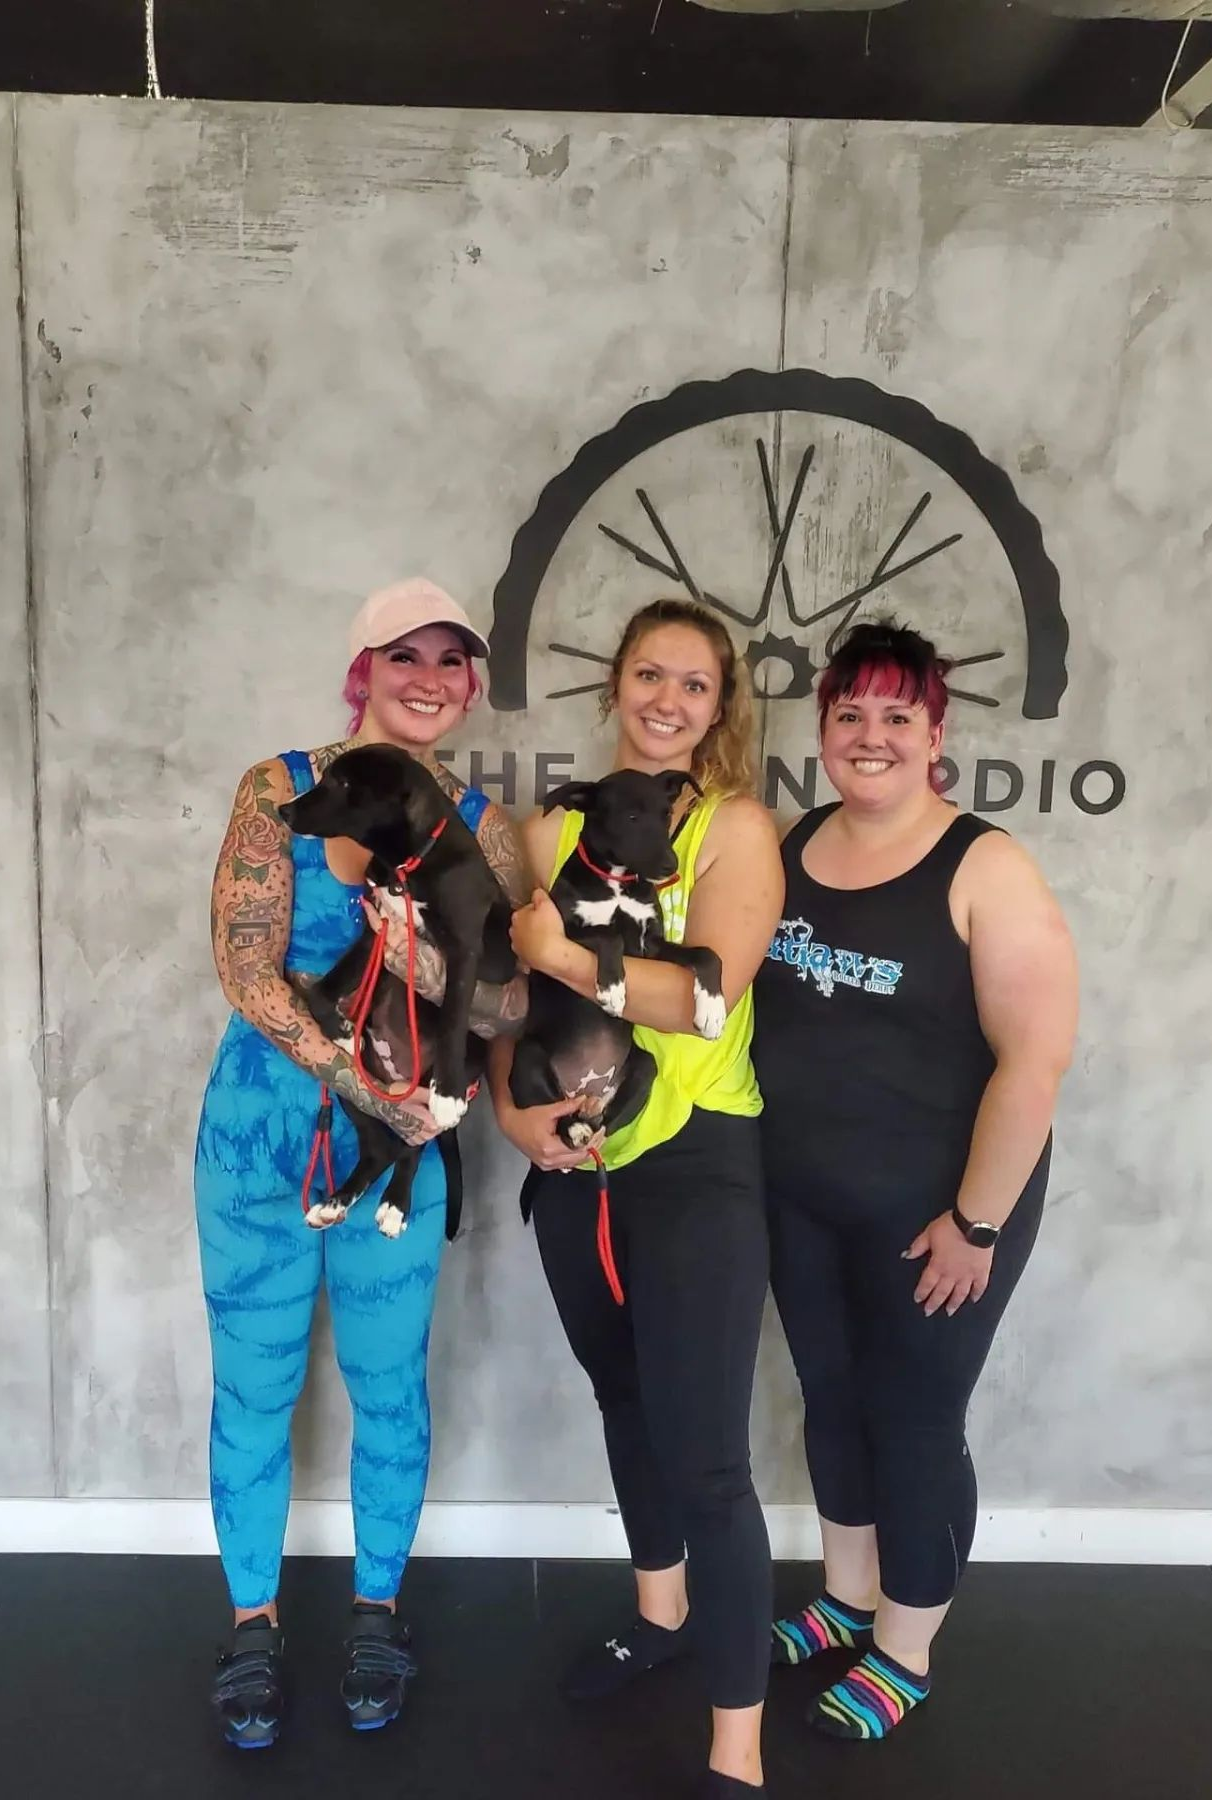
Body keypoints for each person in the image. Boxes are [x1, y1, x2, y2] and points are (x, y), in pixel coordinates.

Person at [195, 578, 528, 1748]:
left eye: (452, 661)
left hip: (402, 1154)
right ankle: (251, 1624)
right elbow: (246, 964)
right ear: (363, 668)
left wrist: (428, 1047)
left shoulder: (480, 822)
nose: (430, 679)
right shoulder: (279, 790)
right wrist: (357, 1079)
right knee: (256, 1389)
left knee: (390, 1388)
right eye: (406, 656)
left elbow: (508, 996)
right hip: (260, 1141)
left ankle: (378, 1613)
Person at [754, 618, 1077, 1741]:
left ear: (935, 732)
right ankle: (845, 1599)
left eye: (899, 715)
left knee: (916, 1419)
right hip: (803, 1198)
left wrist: (976, 1225)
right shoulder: (797, 843)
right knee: (832, 1400)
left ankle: (905, 1645)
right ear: (825, 729)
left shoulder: (986, 864)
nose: (873, 735)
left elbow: (1034, 1065)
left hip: (940, 1212)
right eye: (852, 714)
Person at [491, 598, 785, 1799]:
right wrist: (513, 1117)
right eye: (649, 675)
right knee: (621, 1393)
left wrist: (568, 955)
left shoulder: (735, 828)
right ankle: (659, 1616)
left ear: (722, 707)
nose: (668, 701)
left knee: (709, 1457)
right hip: (578, 1163)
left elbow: (707, 1000)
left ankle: (736, 1751)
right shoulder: (543, 829)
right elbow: (504, 1001)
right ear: (615, 683)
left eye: (695, 685)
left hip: (698, 1160)